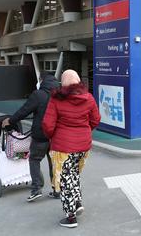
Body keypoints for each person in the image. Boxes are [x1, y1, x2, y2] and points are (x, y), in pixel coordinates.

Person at [42, 70, 100, 228]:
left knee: (64, 180)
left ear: (63, 83)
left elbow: (47, 125)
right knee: (74, 173)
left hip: (63, 148)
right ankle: (78, 202)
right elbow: (96, 120)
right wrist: (85, 131)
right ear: (79, 82)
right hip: (83, 146)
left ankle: (70, 217)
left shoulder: (56, 100)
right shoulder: (89, 98)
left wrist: (53, 136)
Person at [2, 73, 60, 202]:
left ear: (41, 80)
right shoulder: (60, 94)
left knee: (34, 159)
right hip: (56, 136)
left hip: (40, 135)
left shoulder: (38, 94)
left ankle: (36, 189)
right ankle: (57, 190)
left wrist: (10, 121)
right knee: (54, 162)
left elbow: (24, 110)